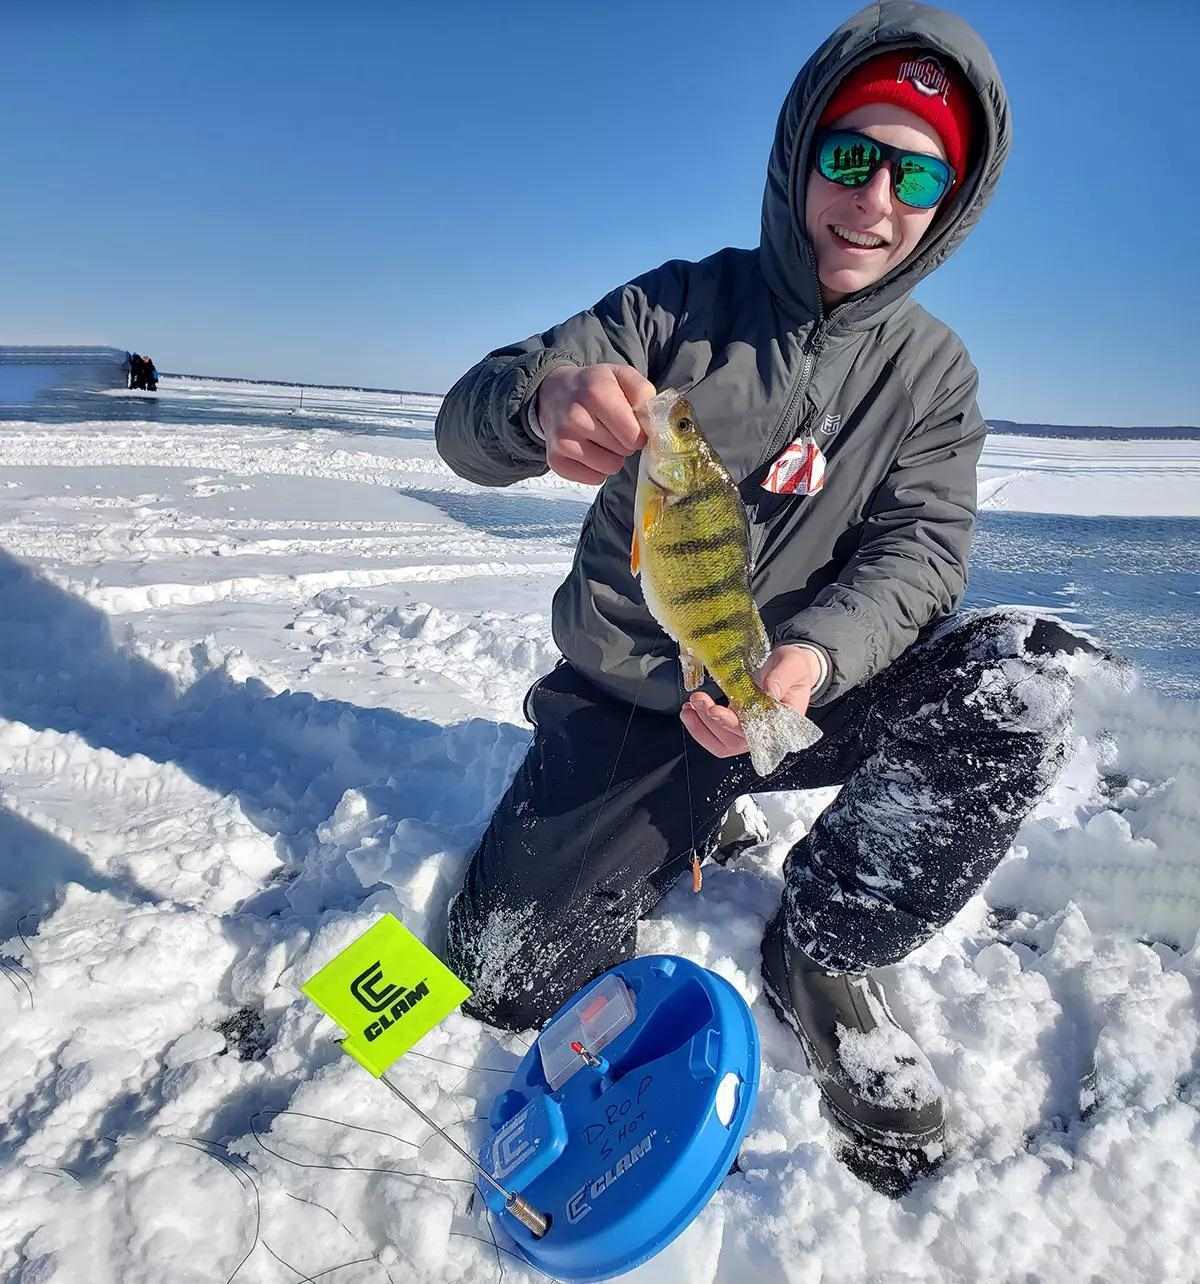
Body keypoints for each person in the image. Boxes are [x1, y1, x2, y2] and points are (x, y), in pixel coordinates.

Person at [434, 1, 1097, 1179]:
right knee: (502, 976)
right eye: (852, 156)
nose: (875, 198)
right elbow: (468, 422)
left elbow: (923, 556)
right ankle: (676, 806)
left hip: (791, 695)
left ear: (952, 202)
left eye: (917, 173)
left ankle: (828, 942)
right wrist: (539, 409)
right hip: (634, 699)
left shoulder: (934, 376)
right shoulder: (673, 309)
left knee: (1025, 682)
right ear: (802, 158)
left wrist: (810, 660)